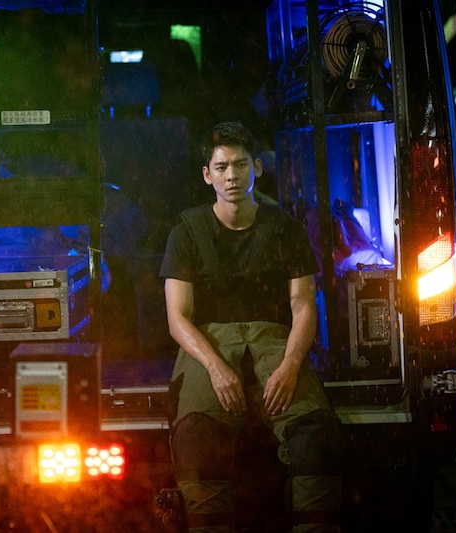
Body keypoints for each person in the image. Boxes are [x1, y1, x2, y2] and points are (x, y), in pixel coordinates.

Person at [160, 121, 342, 532]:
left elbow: (303, 306)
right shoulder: (187, 233)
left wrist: (290, 367)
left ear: (256, 168)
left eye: (241, 164)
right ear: (207, 175)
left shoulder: (285, 229)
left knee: (316, 434)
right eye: (221, 167)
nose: (232, 175)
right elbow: (178, 317)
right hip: (208, 345)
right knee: (196, 436)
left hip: (273, 341)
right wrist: (215, 368)